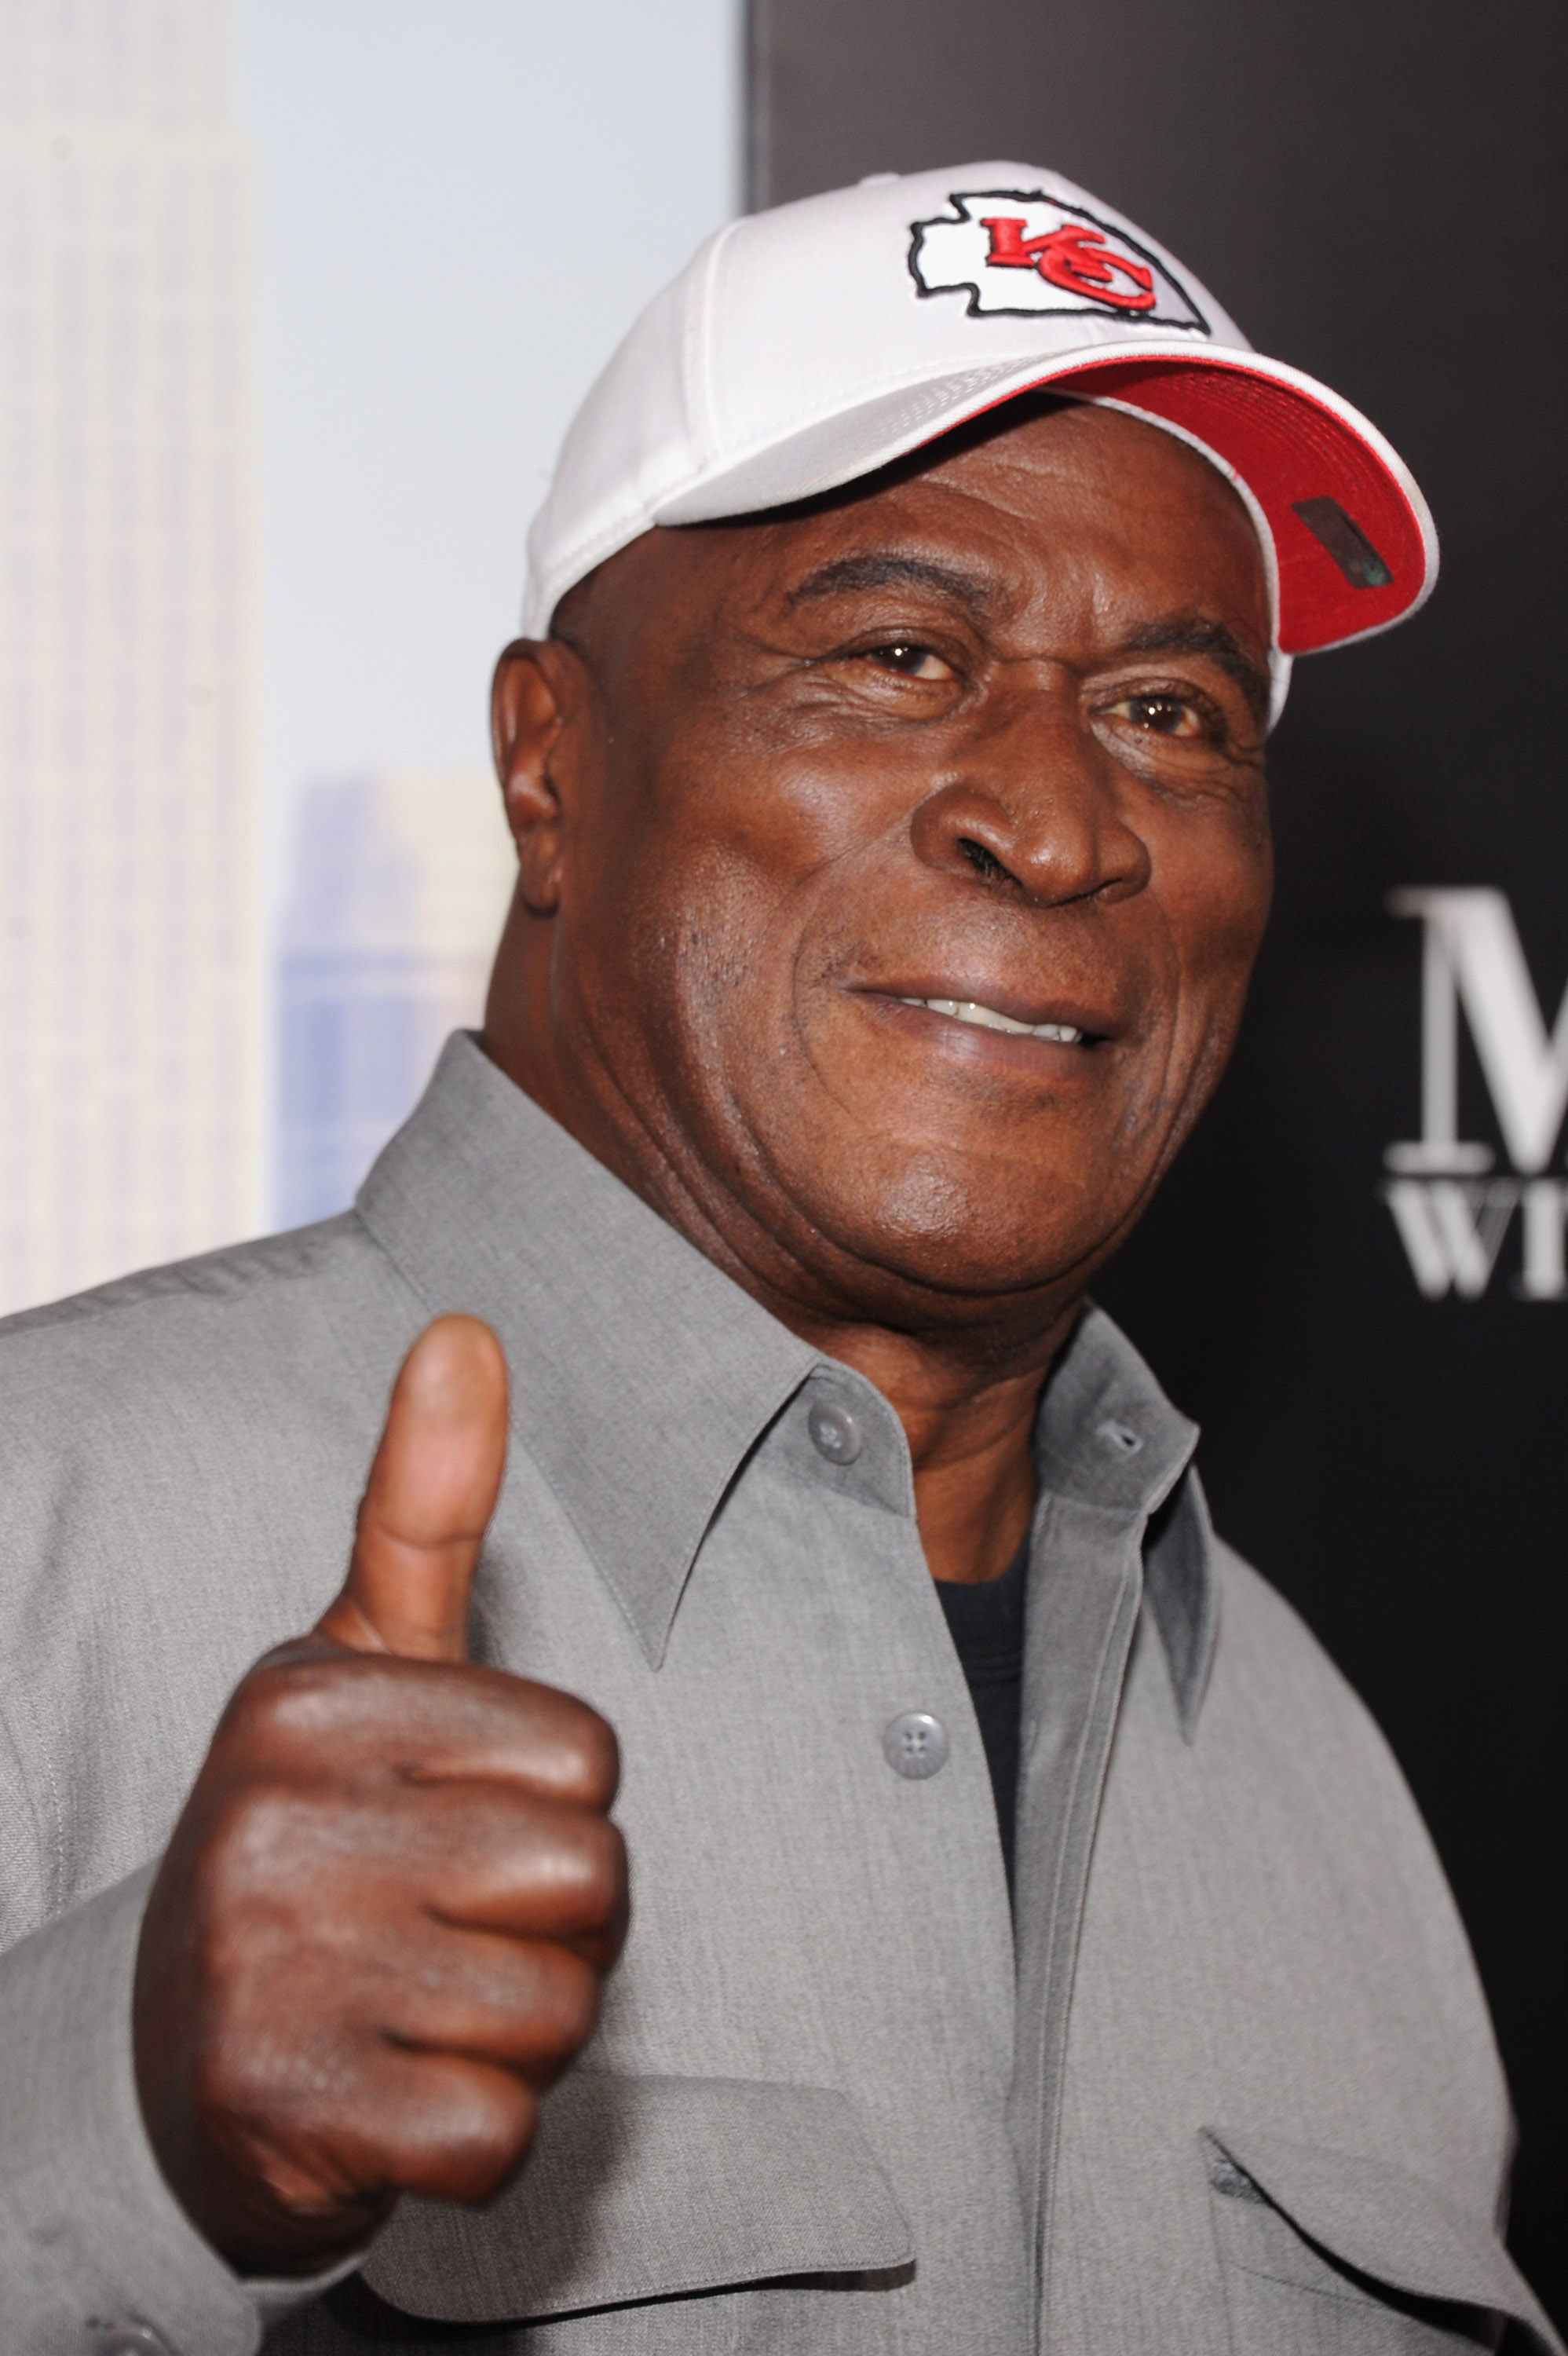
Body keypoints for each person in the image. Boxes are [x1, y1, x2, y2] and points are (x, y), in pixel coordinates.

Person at [0, 163, 1558, 2356]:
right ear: (551, 767)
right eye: (904, 656)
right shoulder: (41, 1538)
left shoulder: (1308, 1761)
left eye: (1173, 715)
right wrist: (109, 2142)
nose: (1063, 817)